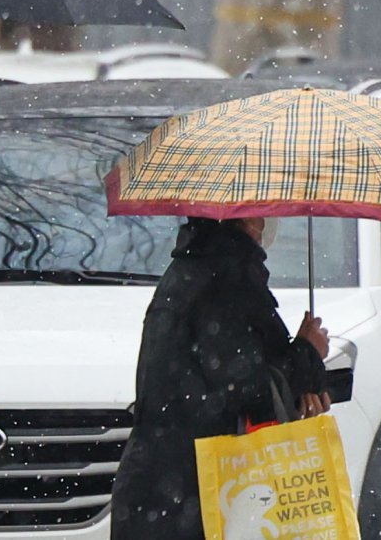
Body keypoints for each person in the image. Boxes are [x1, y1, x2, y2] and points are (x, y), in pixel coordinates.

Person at [110, 216, 331, 540]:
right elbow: (247, 386)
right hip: (201, 498)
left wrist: (301, 375)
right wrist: (308, 354)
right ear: (249, 215)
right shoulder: (227, 280)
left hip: (161, 494)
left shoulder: (191, 270)